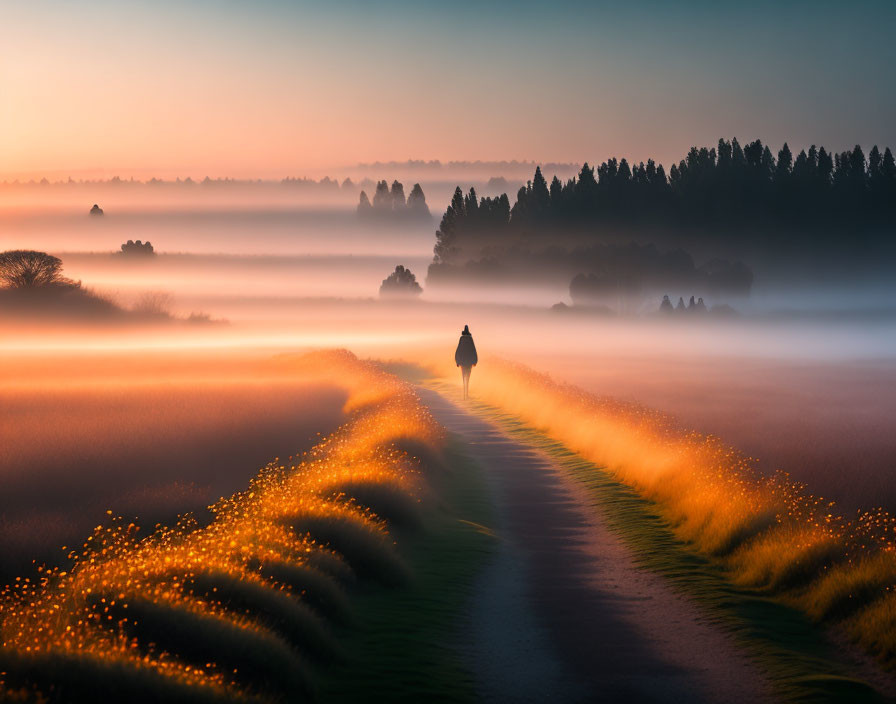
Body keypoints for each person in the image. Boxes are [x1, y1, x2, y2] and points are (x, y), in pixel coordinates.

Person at [454, 324, 478, 400]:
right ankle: (466, 394)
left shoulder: (461, 338)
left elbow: (458, 350)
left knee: (463, 376)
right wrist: (475, 361)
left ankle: (464, 394)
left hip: (463, 362)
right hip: (469, 362)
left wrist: (457, 361)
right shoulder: (470, 339)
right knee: (468, 377)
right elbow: (473, 350)